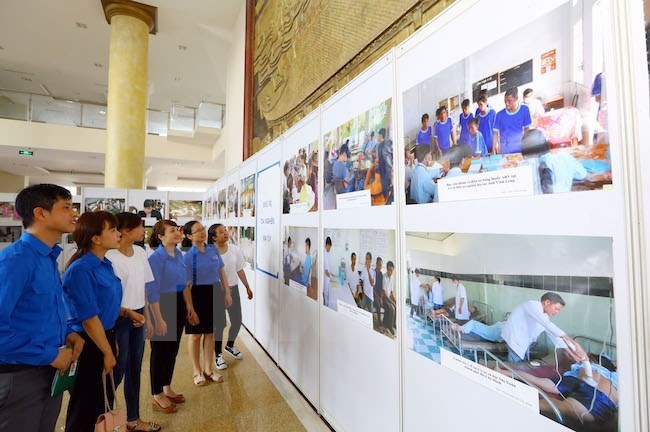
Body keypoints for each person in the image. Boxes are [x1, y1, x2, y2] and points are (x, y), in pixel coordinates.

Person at [0, 184, 84, 431]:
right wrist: (51, 355)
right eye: (66, 208)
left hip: (49, 370)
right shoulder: (15, 262)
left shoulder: (47, 258)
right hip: (20, 374)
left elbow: (41, 309)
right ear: (40, 213)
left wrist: (67, 332)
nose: (74, 214)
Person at [62, 211, 128, 431]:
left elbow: (104, 308)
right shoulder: (81, 269)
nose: (118, 234)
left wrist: (111, 341)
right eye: (112, 230)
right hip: (88, 342)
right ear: (96, 238)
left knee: (101, 403)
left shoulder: (104, 264)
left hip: (103, 336)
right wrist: (106, 351)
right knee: (86, 405)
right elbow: (89, 319)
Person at [107, 212, 160, 432]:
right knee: (116, 372)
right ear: (126, 231)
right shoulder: (109, 256)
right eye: (140, 227)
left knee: (134, 370)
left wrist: (147, 317)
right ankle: (103, 419)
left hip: (138, 316)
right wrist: (129, 314)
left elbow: (144, 288)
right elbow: (108, 298)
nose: (143, 231)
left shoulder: (140, 252)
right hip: (117, 319)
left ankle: (133, 419)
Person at [147, 220, 200, 413]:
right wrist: (158, 319)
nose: (177, 233)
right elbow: (151, 291)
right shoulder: (156, 259)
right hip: (161, 305)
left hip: (177, 302)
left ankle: (166, 386)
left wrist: (189, 307)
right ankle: (156, 393)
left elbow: (184, 284)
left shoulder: (178, 254)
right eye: (171, 231)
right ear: (161, 236)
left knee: (172, 349)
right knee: (159, 351)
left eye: (177, 230)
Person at [499, 356, 618, 424]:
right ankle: (506, 388)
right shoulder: (611, 375)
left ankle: (503, 375)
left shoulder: (591, 369)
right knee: (543, 401)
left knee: (539, 384)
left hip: (585, 390)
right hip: (599, 404)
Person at [182, 221, 229, 385]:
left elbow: (221, 271)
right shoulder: (187, 257)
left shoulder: (212, 249)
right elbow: (185, 285)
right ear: (189, 236)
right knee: (195, 335)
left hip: (214, 291)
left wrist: (227, 292)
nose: (202, 232)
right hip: (197, 294)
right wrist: (189, 307)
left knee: (210, 332)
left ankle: (209, 369)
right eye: (197, 231)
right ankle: (197, 371)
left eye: (203, 229)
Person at [501, 292, 588, 363]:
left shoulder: (543, 316)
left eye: (559, 310)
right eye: (556, 308)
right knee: (514, 365)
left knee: (520, 362)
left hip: (523, 340)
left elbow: (555, 336)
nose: (557, 312)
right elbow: (549, 325)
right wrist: (576, 344)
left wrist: (572, 354)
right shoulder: (532, 305)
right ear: (547, 302)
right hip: (515, 338)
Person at [212, 224, 253, 362]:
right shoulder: (210, 252)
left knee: (237, 321)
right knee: (219, 324)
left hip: (233, 289)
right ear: (214, 237)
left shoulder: (234, 250)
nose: (225, 233)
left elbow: (239, 269)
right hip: (217, 291)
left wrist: (247, 286)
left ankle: (229, 345)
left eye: (225, 230)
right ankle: (218, 354)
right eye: (220, 232)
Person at [521, 129, 587, 194]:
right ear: (546, 145)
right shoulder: (565, 158)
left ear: (524, 152)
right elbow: (582, 175)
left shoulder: (523, 168)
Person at [493, 87, 532, 154]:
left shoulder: (524, 110)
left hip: (519, 150)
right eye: (505, 101)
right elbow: (495, 134)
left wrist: (528, 147)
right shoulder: (499, 115)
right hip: (505, 152)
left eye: (509, 101)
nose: (506, 104)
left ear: (516, 98)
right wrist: (493, 150)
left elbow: (527, 130)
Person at [372, 257, 394, 335]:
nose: (379, 266)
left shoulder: (381, 274)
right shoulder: (373, 273)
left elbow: (382, 289)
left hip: (379, 295)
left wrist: (381, 298)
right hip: (373, 295)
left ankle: (389, 325)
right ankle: (381, 324)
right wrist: (380, 298)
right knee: (379, 306)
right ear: (376, 264)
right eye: (378, 264)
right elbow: (373, 289)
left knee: (391, 307)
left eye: (381, 265)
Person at [376, 128, 394, 204]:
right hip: (388, 171)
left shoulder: (379, 146)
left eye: (378, 136)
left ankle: (386, 202)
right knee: (389, 189)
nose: (378, 138)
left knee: (385, 190)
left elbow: (377, 159)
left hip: (383, 171)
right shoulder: (388, 144)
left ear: (380, 135)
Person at [384, 261, 397, 332]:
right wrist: (392, 302)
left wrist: (395, 300)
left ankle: (394, 324)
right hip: (384, 298)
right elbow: (384, 293)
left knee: (396, 306)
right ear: (386, 269)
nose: (390, 272)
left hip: (389, 297)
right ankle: (390, 327)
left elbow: (391, 292)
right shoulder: (384, 277)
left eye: (391, 270)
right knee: (392, 308)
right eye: (389, 270)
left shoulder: (392, 277)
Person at [323, 237, 332, 307]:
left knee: (327, 295)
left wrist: (332, 274)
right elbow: (326, 271)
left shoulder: (326, 253)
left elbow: (327, 268)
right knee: (326, 295)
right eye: (330, 247)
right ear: (327, 245)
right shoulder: (324, 254)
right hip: (325, 280)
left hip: (327, 279)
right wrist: (331, 277)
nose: (330, 249)